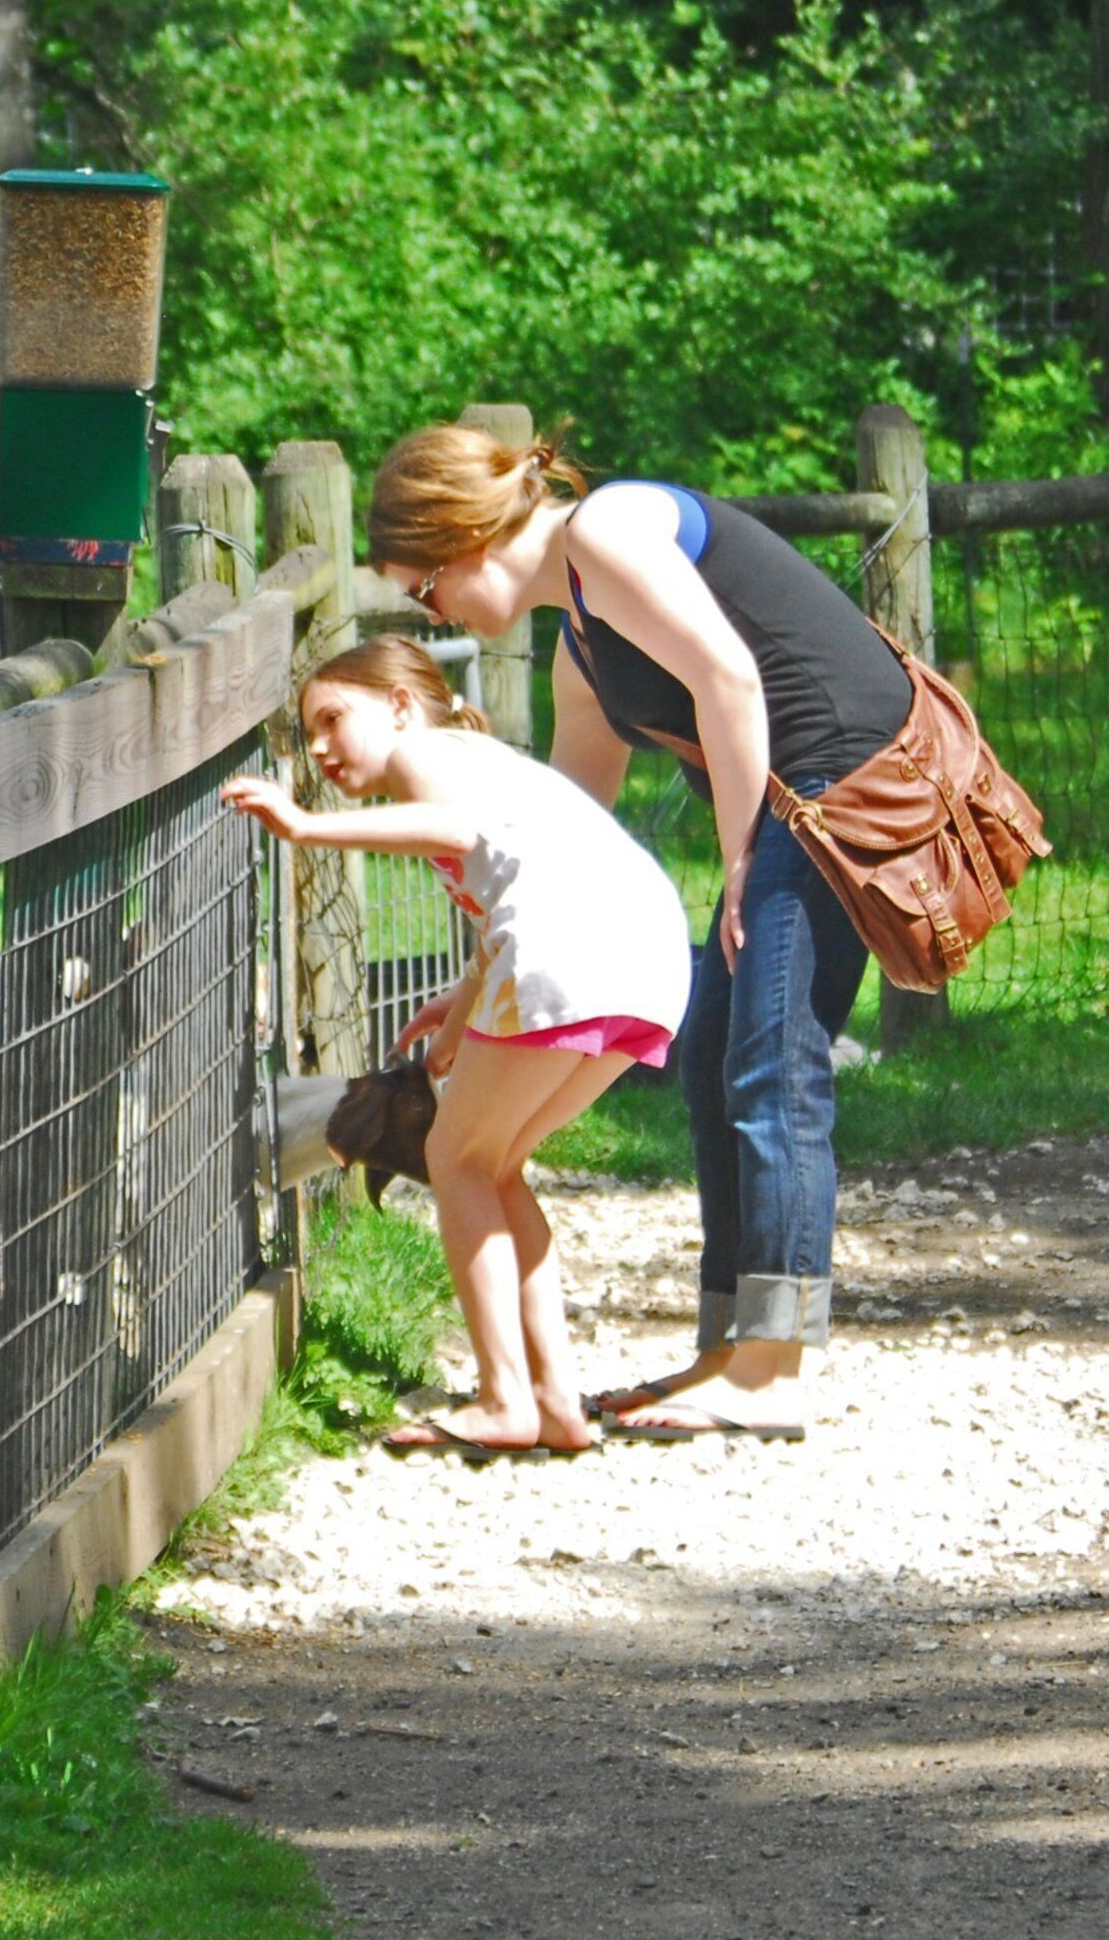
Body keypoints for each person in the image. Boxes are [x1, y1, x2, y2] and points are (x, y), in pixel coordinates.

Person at [371, 421, 913, 1442]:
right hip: (787, 801)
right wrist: (483, 977)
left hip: (841, 778)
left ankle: (772, 1371)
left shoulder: (608, 532)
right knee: (711, 1053)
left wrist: (741, 858)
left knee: (773, 1058)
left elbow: (729, 680)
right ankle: (728, 1349)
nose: (433, 614)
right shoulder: (580, 644)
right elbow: (564, 837)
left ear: (463, 538)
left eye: (424, 588)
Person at [224, 639, 687, 1457]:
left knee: (455, 1156)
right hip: (648, 960)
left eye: (334, 719)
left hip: (571, 950)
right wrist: (464, 1001)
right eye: (309, 733)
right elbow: (511, 874)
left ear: (402, 706)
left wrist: (305, 827)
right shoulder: (482, 761)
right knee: (493, 1165)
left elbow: (458, 830)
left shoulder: (426, 756)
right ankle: (554, 1402)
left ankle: (506, 1399)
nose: (321, 747)